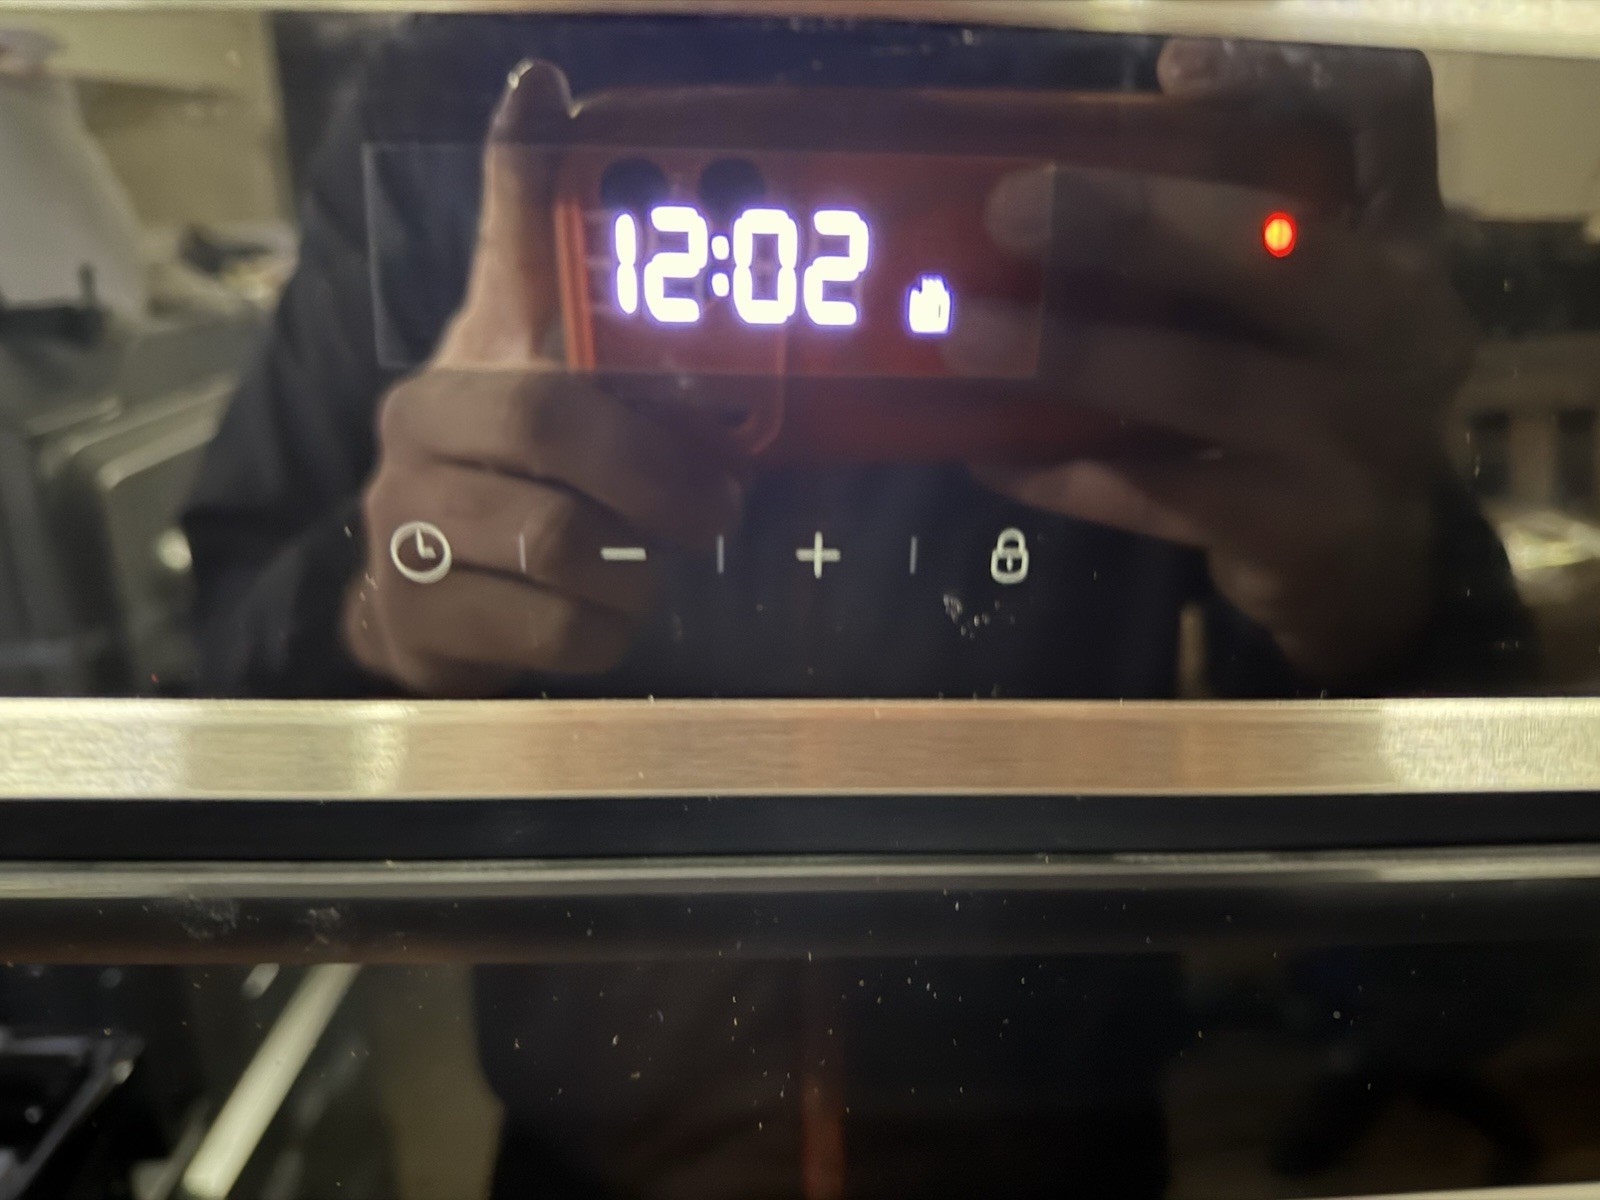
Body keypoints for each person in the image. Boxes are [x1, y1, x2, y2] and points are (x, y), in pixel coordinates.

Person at [183, 14, 1532, 1198]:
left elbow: (1475, 968)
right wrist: (378, 601)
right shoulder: (448, 90)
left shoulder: (1160, 97)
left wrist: (1379, 595)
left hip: (1063, 1149)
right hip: (591, 1162)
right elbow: (220, 702)